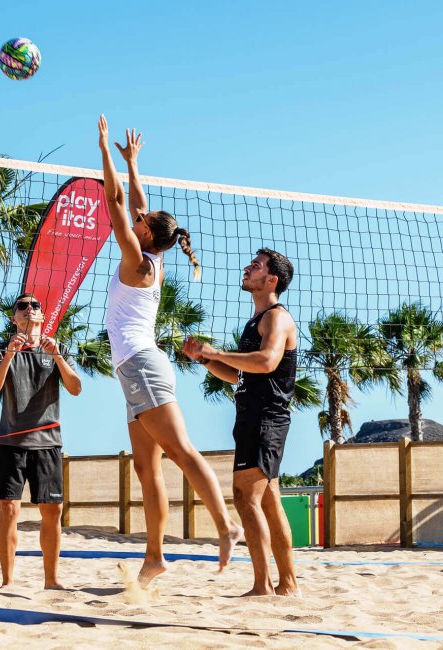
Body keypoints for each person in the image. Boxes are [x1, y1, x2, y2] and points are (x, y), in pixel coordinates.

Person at [98, 115, 243, 586]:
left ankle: (226, 527)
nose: (137, 218)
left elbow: (117, 201)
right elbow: (136, 203)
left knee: (180, 450)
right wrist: (135, 162)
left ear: (143, 233)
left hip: (142, 364)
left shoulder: (138, 261)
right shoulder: (151, 250)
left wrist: (103, 150)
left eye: (140, 222)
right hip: (135, 368)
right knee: (146, 467)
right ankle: (155, 557)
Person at [183, 249, 300, 596]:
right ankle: (287, 583)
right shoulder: (257, 320)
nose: (248, 268)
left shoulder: (277, 318)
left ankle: (262, 585)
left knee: (244, 498)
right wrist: (206, 360)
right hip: (254, 415)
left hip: (265, 418)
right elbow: (239, 375)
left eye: (257, 265)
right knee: (268, 501)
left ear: (272, 280)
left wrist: (217, 351)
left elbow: (265, 361)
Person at [0, 293, 81, 590]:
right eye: (22, 306)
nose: (29, 309)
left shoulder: (57, 348)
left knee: (52, 512)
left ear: (42, 315)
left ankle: (51, 580)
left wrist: (58, 357)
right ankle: (8, 581)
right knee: (9, 509)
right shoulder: (0, 350)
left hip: (48, 441)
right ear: (14, 318)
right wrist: (11, 354)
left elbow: (76, 388)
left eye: (35, 305)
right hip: (11, 440)